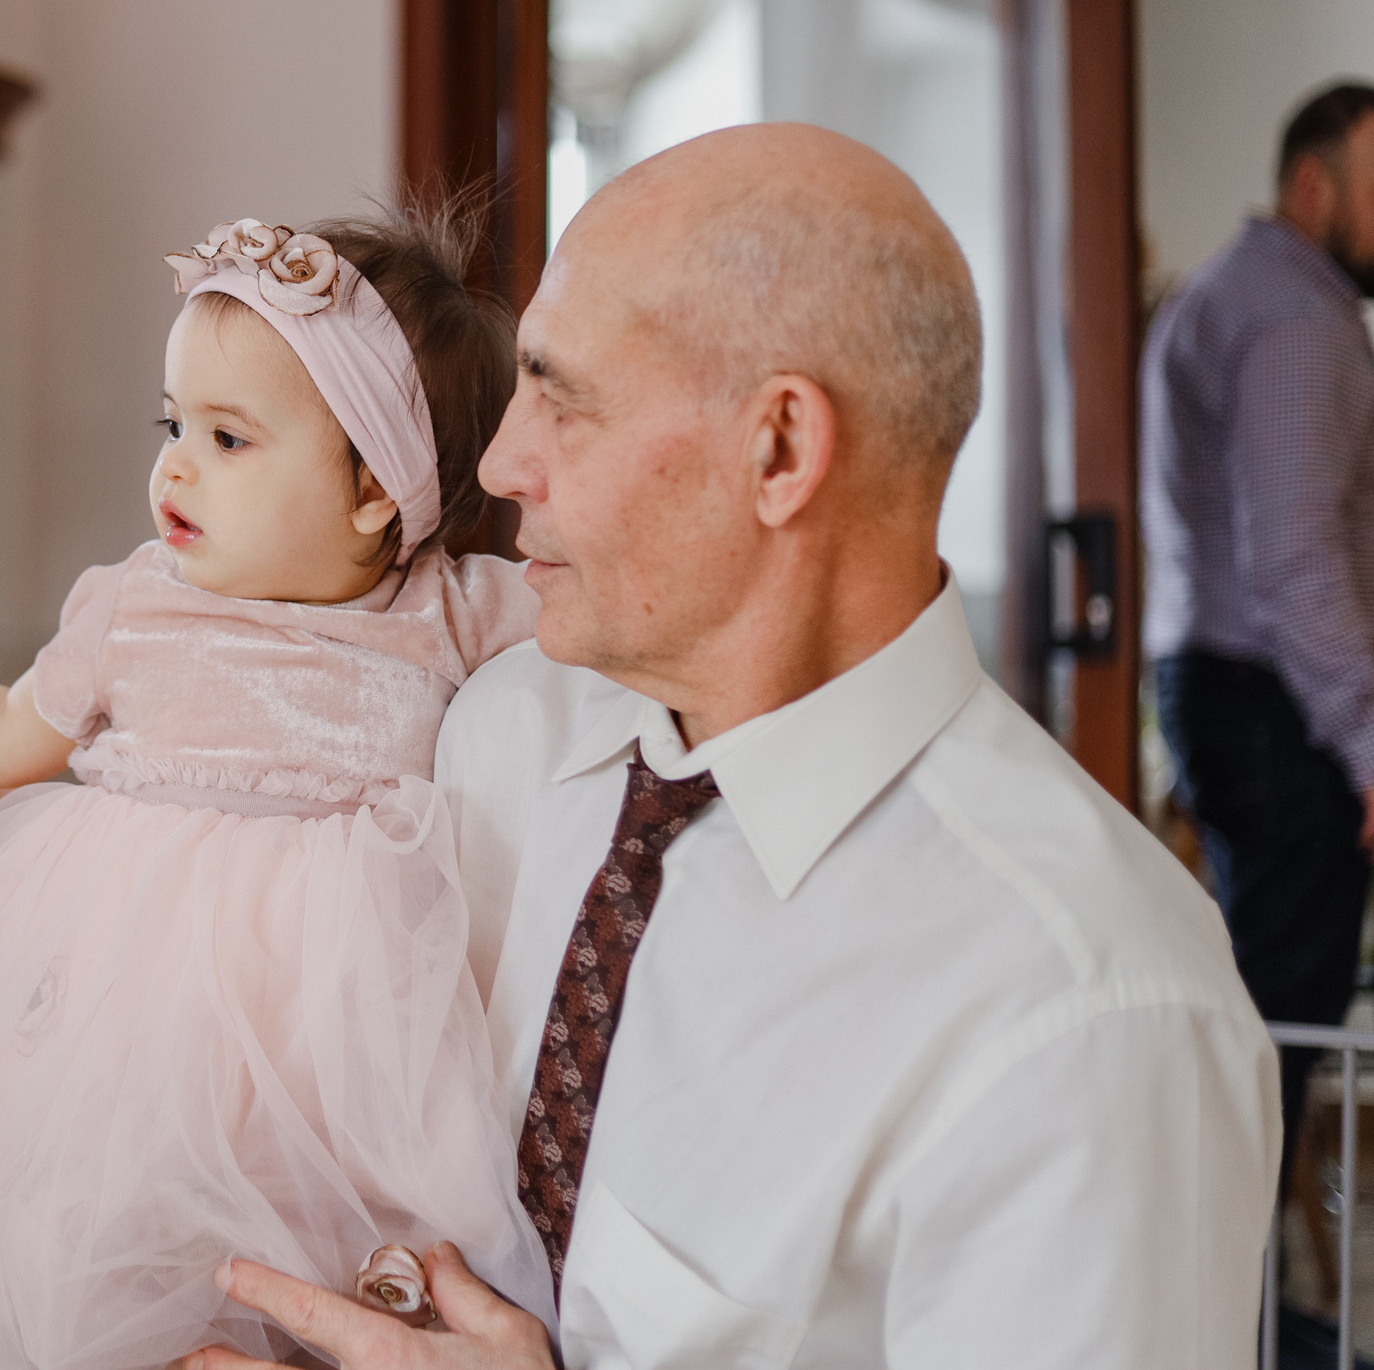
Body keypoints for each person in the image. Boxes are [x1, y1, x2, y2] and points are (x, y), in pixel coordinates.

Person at [191, 123, 1276, 1369]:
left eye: (561, 395)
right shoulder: (496, 730)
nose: (499, 460)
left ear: (778, 451)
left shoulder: (1087, 1009)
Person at [0, 209, 555, 1367]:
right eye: (172, 424)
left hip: (322, 1031)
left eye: (228, 438)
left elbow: (604, 621)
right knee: (85, 1241)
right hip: (122, 1004)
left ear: (377, 490)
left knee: (293, 1266)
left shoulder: (451, 612)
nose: (173, 464)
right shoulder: (133, 604)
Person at [1146, 80, 1374, 1198]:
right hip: (1273, 703)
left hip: (1224, 686)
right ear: (1313, 185)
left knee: (1256, 1023)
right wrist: (1368, 740)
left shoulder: (1226, 290)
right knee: (1278, 1032)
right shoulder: (1298, 317)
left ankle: (1239, 1279)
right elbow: (1295, 560)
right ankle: (1238, 1291)